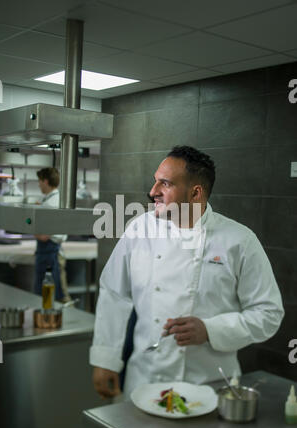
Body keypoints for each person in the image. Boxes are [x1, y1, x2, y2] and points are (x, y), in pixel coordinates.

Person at [90, 145, 284, 400]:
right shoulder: (140, 229)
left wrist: (211, 330)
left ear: (195, 193)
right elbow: (115, 294)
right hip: (145, 381)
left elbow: (268, 313)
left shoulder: (239, 241)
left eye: (165, 184)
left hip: (209, 387)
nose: (152, 192)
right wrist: (106, 359)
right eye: (155, 181)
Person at [34, 167, 71, 303]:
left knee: (50, 295)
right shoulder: (55, 199)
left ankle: (51, 320)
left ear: (45, 181)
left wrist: (32, 228)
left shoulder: (50, 203)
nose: (38, 184)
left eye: (39, 181)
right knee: (57, 293)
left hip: (49, 253)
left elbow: (43, 236)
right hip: (52, 251)